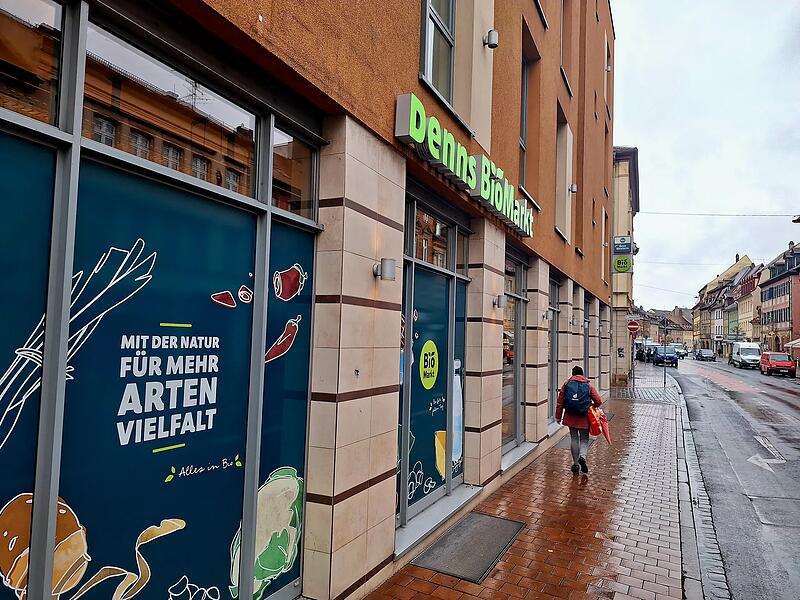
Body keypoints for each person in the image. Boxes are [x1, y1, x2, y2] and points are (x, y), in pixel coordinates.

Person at [556, 366, 603, 474]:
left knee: (574, 439)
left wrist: (558, 416)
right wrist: (592, 406)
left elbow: (560, 402)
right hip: (584, 417)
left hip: (570, 416)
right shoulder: (588, 385)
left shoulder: (567, 384)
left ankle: (576, 464)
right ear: (582, 374)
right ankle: (582, 456)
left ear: (572, 374)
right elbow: (598, 401)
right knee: (584, 439)